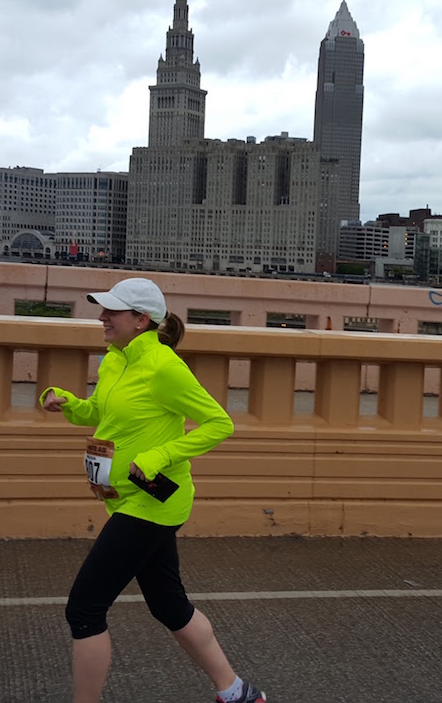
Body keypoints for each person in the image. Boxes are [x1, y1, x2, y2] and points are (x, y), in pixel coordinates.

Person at [41, 277, 265, 703]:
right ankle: (238, 693)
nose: (102, 317)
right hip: (123, 499)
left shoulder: (164, 366)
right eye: (103, 309)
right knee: (168, 604)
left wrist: (159, 456)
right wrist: (68, 403)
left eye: (112, 311)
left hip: (153, 502)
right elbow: (103, 414)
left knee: (84, 609)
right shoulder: (114, 360)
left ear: (141, 320)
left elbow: (220, 424)